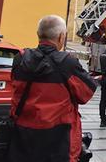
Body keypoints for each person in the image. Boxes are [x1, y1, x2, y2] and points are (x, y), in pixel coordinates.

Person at [8, 15, 97, 162]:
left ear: (38, 34)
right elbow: (85, 94)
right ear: (61, 37)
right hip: (59, 140)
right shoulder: (67, 63)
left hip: (22, 136)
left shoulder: (20, 58)